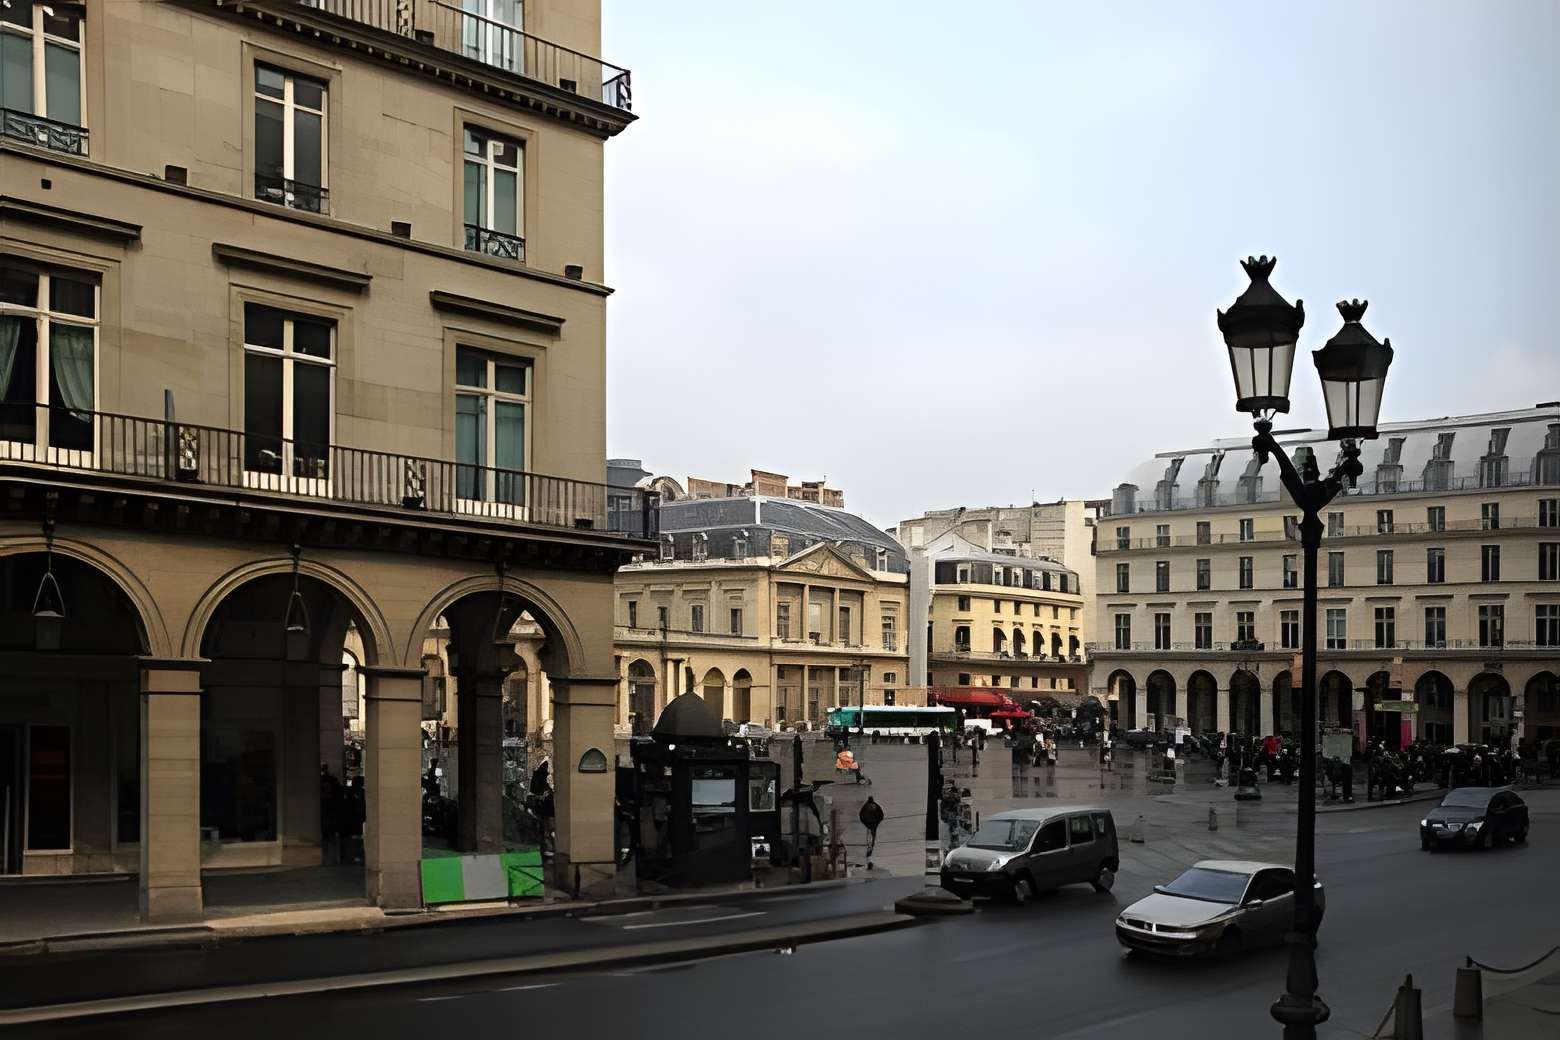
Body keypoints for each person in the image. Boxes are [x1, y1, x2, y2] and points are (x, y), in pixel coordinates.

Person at [858, 796, 884, 869]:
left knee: (869, 835)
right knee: (873, 834)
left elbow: (861, 815)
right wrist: (878, 822)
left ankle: (870, 847)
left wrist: (865, 823)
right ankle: (872, 844)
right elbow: (881, 815)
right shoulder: (876, 806)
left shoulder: (866, 806)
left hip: (868, 823)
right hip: (874, 823)